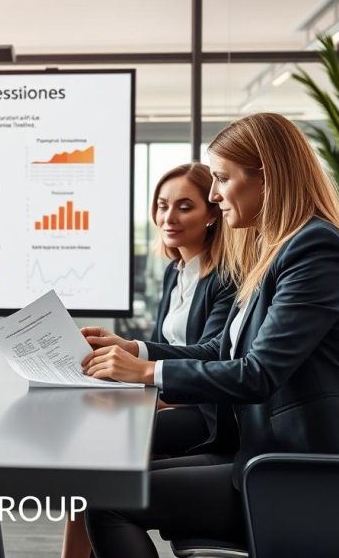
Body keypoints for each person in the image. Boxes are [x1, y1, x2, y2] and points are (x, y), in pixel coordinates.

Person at [80, 113, 339, 558]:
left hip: (304, 473)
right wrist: (136, 350)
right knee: (108, 483)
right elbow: (221, 350)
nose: (213, 193)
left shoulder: (315, 249)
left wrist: (147, 371)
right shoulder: (278, 248)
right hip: (264, 453)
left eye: (222, 178)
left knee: (108, 503)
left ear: (267, 178)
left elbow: (258, 375)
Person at [61, 163, 236, 558]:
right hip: (173, 395)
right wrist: (129, 350)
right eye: (162, 206)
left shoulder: (226, 278)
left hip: (207, 412)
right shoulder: (177, 272)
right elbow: (167, 346)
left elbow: (214, 354)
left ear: (212, 214)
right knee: (93, 452)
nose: (168, 218)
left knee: (99, 458)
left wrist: (141, 364)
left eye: (184, 206)